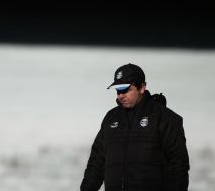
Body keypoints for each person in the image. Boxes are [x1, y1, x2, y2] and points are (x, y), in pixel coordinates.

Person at [80, 63, 189, 191]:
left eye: (126, 89)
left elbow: (178, 166)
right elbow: (96, 162)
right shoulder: (111, 118)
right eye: (118, 90)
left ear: (142, 88)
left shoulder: (165, 118)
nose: (120, 95)